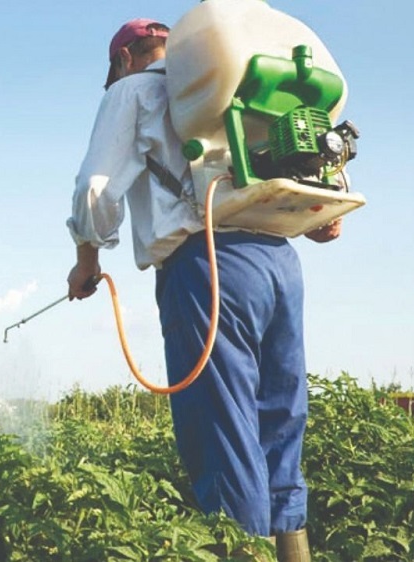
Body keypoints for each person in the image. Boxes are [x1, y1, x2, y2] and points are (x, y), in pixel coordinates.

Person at [65, 18, 341, 561]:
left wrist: (87, 258)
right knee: (280, 424)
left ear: (123, 59)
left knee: (224, 434)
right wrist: (321, 215)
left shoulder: (136, 89)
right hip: (279, 262)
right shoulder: (237, 80)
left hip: (208, 264)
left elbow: (97, 187)